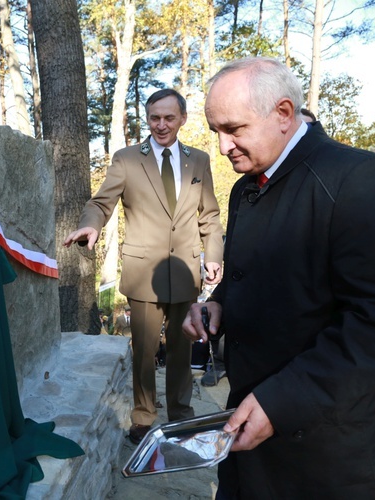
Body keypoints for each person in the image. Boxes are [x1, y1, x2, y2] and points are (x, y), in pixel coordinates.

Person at [183, 57, 375, 498]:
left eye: (234, 129)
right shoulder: (247, 187)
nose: (222, 147)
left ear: (283, 114)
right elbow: (257, 266)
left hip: (328, 453)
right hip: (252, 432)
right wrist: (219, 299)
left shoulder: (364, 183)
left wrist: (282, 402)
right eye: (215, 131)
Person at [64, 89, 224, 445]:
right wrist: (91, 224)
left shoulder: (198, 160)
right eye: (154, 118)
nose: (161, 125)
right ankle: (143, 416)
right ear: (147, 119)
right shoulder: (126, 159)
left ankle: (181, 417)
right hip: (142, 274)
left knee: (183, 352)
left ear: (182, 118)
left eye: (169, 117)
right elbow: (101, 202)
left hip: (186, 272)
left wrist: (214, 255)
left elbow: (210, 217)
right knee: (145, 352)